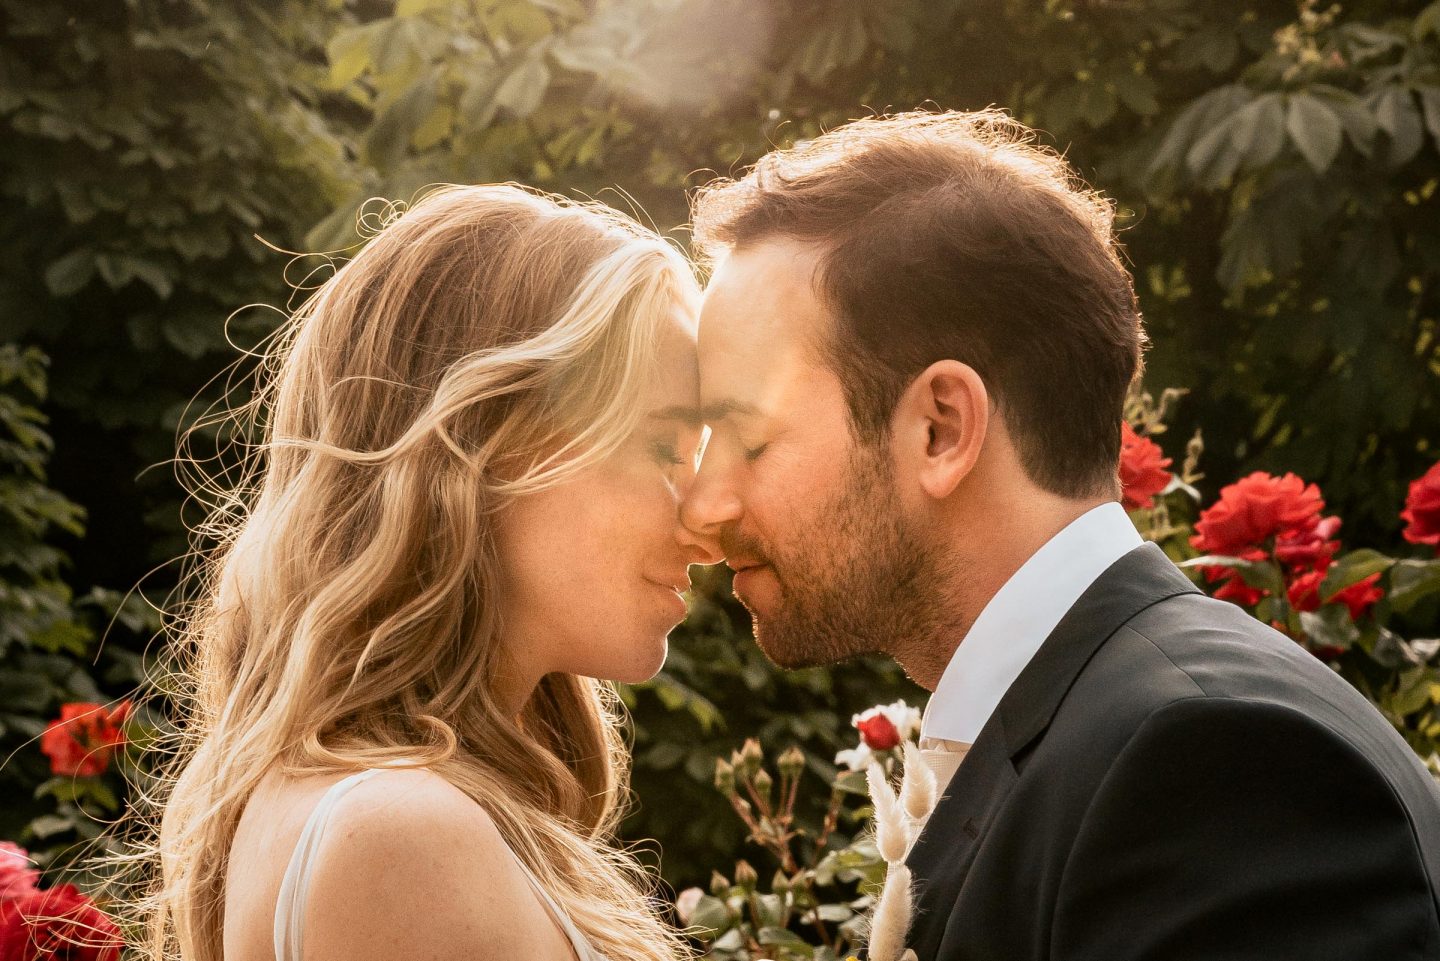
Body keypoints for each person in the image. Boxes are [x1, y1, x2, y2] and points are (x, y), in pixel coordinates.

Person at [683, 110, 1440, 960]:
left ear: (940, 428)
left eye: (746, 437)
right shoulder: (1095, 728)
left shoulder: (1211, 766)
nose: (702, 507)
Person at [127, 184, 718, 961]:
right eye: (663, 448)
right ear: (490, 441)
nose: (708, 525)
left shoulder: (361, 802)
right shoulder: (400, 834)